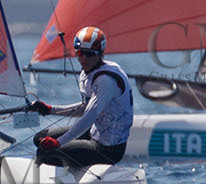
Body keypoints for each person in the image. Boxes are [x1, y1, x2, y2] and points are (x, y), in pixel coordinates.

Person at [27, 26, 133, 168]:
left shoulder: (106, 81)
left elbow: (89, 116)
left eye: (89, 54)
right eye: (80, 53)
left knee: (44, 153)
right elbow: (85, 107)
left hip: (108, 149)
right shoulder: (87, 72)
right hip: (94, 133)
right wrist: (50, 109)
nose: (83, 58)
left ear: (100, 53)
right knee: (39, 139)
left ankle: (67, 173)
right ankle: (72, 162)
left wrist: (59, 143)